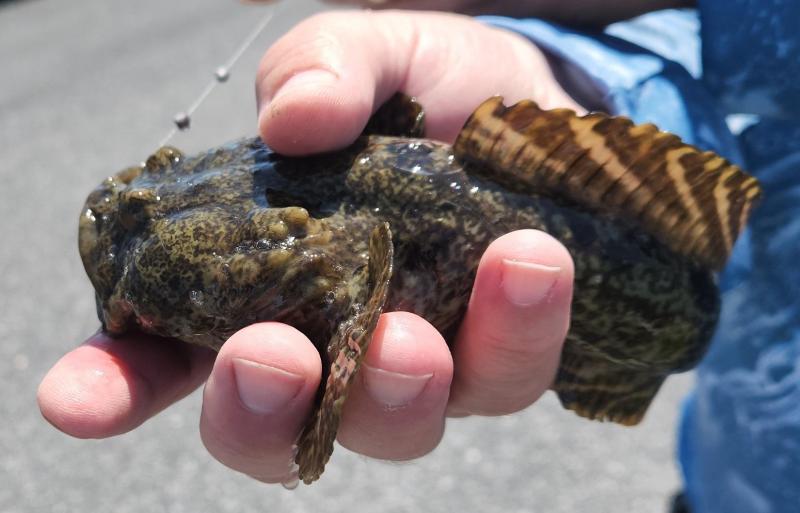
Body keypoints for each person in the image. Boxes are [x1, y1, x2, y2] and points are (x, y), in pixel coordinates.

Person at [39, 1, 800, 510]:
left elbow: (349, 253)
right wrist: (569, 77)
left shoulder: (317, 253)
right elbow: (725, 35)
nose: (127, 218)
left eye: (140, 238)